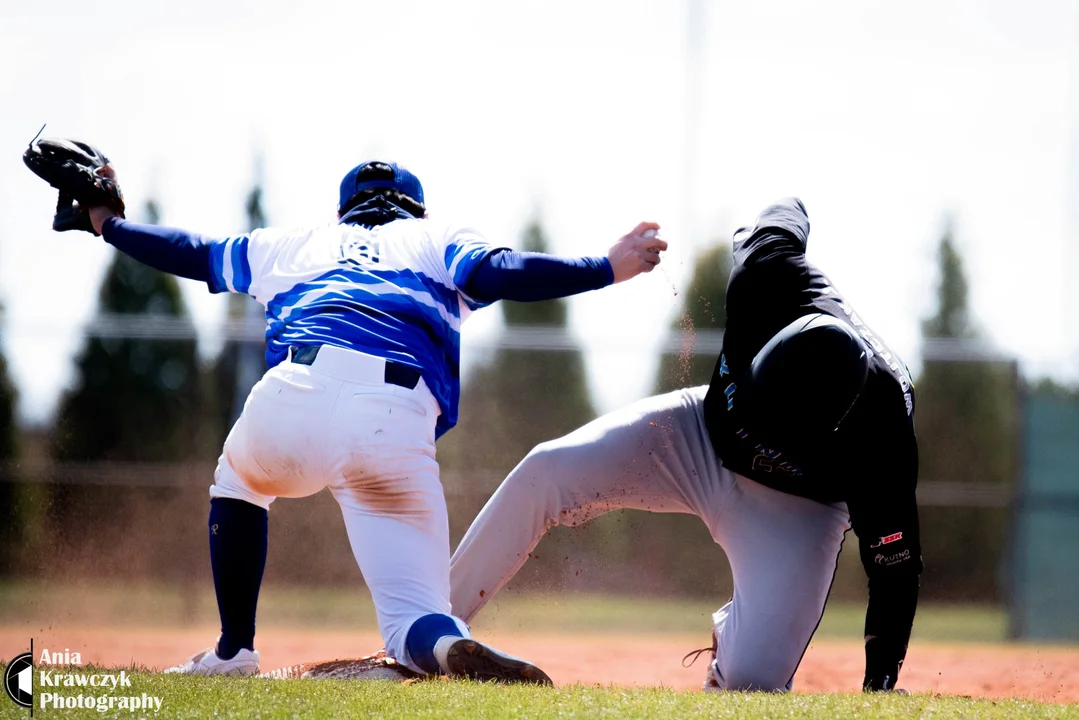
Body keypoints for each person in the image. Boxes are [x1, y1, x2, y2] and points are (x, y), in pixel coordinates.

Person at [82, 160, 667, 682]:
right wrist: (605, 267)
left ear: (342, 212)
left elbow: (188, 250)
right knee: (417, 615)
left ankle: (234, 652)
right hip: (395, 419)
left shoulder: (295, 243)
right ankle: (444, 645)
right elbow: (499, 274)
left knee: (239, 484)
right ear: (419, 208)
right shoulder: (434, 235)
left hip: (295, 393)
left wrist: (107, 221)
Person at [448, 198, 921, 692]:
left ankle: (738, 629)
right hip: (696, 438)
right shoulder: (768, 271)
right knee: (546, 470)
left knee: (750, 686)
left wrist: (880, 685)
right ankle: (431, 630)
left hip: (797, 510)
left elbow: (896, 568)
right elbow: (788, 207)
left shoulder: (883, 433)